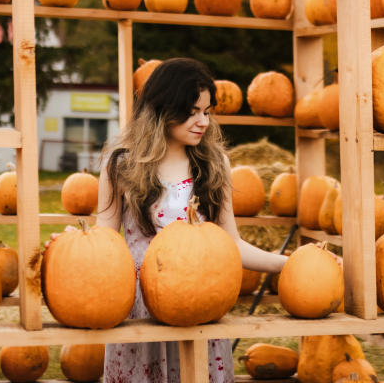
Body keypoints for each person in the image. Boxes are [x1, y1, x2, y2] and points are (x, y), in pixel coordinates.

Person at [97, 57, 288, 383]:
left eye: (207, 111)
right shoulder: (121, 166)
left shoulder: (215, 166)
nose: (202, 121)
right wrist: (73, 245)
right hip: (140, 311)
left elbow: (231, 245)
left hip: (199, 306)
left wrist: (288, 264)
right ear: (163, 109)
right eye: (192, 111)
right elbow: (104, 244)